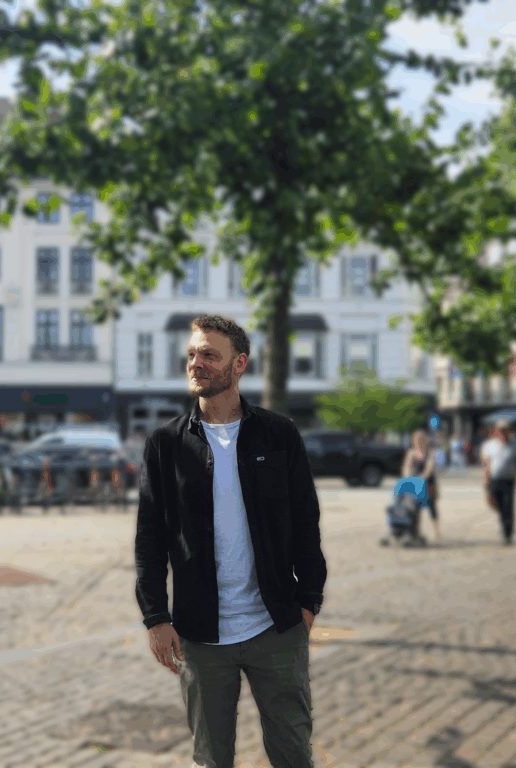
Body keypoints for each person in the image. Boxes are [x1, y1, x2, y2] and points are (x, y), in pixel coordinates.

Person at [135, 314, 327, 768]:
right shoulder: (166, 445)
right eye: (192, 354)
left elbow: (306, 521)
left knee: (293, 753)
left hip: (275, 626)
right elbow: (150, 538)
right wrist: (155, 616)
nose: (196, 363)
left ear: (238, 364)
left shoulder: (278, 434)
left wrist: (309, 601)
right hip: (200, 636)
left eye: (209, 355)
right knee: (211, 759)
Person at [481, 421, 516, 545]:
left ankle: (508, 534)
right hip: (494, 479)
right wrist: (485, 480)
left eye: (505, 430)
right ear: (496, 431)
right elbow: (486, 464)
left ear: (509, 431)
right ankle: (504, 521)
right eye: (500, 430)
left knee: (508, 506)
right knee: (493, 503)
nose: (502, 433)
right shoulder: (489, 445)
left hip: (509, 480)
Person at [403, 429, 441, 539]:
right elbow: (406, 467)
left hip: (428, 484)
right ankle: (415, 531)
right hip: (415, 485)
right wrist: (407, 477)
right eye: (415, 440)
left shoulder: (430, 453)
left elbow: (430, 467)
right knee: (415, 507)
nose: (417, 442)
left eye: (420, 439)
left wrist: (423, 477)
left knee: (432, 507)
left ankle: (436, 531)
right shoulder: (411, 453)